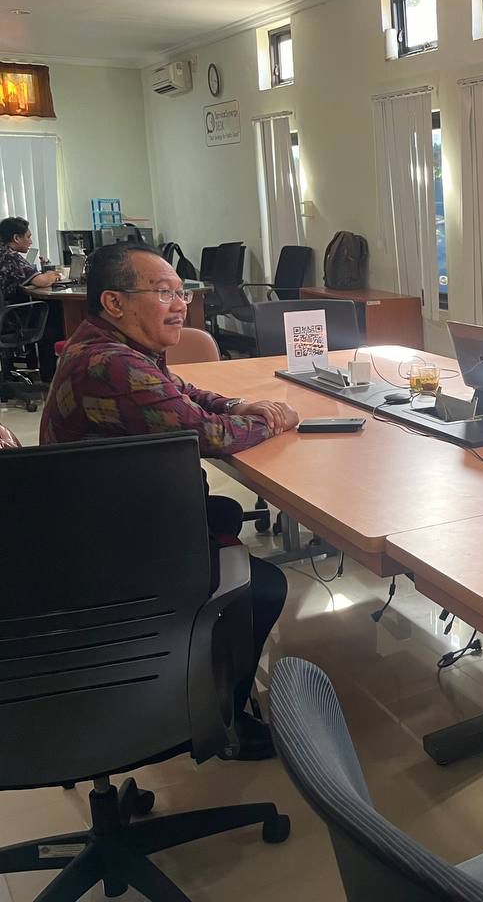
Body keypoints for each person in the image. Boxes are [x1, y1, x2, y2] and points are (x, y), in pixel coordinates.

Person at [40, 242, 299, 760]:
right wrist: (272, 420)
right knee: (263, 587)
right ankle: (215, 722)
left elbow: (179, 391)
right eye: (164, 293)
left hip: (102, 516)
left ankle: (204, 679)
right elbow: (208, 435)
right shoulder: (109, 365)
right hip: (110, 545)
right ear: (114, 302)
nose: (181, 305)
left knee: (224, 516)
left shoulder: (109, 346)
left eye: (183, 293)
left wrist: (237, 403)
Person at [0, 216, 62, 382]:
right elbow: (42, 281)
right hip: (9, 320)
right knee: (53, 315)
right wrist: (52, 275)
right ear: (16, 238)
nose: (30, 241)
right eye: (28, 237)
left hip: (4, 315)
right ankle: (50, 375)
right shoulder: (10, 257)